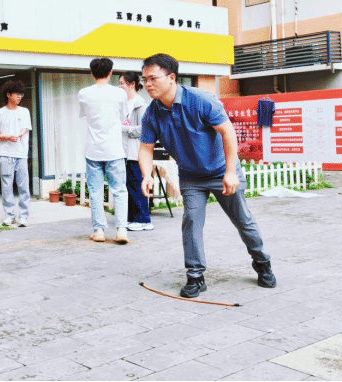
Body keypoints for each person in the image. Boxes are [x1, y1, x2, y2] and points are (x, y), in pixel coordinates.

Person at [138, 53, 276, 298]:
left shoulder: (200, 100)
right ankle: (195, 275)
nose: (147, 84)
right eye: (144, 79)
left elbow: (228, 132)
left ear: (171, 78)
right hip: (191, 176)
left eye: (152, 78)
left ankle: (262, 263)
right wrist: (146, 175)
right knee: (191, 220)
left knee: (243, 220)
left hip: (222, 171)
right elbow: (146, 148)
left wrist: (230, 172)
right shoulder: (152, 113)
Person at [78, 58, 129, 244]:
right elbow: (124, 116)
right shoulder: (120, 93)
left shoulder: (84, 93)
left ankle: (99, 230)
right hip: (114, 149)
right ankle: (121, 230)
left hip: (93, 149)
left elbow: (83, 114)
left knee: (95, 190)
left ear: (92, 74)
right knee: (120, 191)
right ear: (110, 73)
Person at [0, 79, 32, 227]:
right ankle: (9, 215)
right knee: (7, 186)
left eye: (21, 94)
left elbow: (25, 127)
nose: (20, 97)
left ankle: (24, 217)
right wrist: (7, 137)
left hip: (21, 154)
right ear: (8, 95)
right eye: (17, 94)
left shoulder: (24, 111)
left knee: (23, 186)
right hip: (5, 153)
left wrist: (20, 133)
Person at [119, 72, 153, 232]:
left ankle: (143, 220)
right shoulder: (122, 104)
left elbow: (143, 129)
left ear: (132, 84)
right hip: (124, 152)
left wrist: (124, 129)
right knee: (129, 186)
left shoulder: (141, 105)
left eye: (122, 83)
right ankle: (133, 218)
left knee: (137, 185)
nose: (119, 86)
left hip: (135, 152)